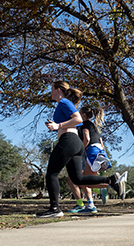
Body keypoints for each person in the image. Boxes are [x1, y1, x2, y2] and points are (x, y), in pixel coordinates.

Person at [36, 81, 127, 218]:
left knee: (51, 174)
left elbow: (78, 119)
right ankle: (111, 180)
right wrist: (57, 126)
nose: (50, 92)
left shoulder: (64, 102)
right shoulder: (65, 104)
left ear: (58, 90)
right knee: (78, 179)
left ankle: (55, 208)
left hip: (69, 140)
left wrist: (58, 126)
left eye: (52, 89)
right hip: (75, 143)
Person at [67, 106, 115, 214]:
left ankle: (113, 183)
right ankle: (91, 204)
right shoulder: (95, 127)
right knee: (86, 180)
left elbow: (87, 139)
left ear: (83, 115)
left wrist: (80, 151)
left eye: (79, 113)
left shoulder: (84, 125)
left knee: (85, 181)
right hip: (99, 151)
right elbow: (102, 144)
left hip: (91, 151)